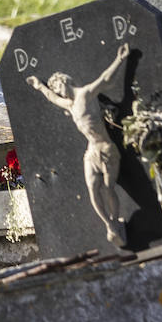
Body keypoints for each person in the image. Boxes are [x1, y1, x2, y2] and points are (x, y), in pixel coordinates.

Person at [26, 43, 131, 247]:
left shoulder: (85, 94)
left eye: (59, 86)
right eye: (56, 89)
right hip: (91, 152)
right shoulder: (70, 104)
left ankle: (116, 222)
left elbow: (105, 79)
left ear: (65, 81)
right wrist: (40, 86)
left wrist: (120, 59)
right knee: (93, 189)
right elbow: (52, 98)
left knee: (109, 189)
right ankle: (109, 225)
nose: (59, 92)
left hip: (106, 149)